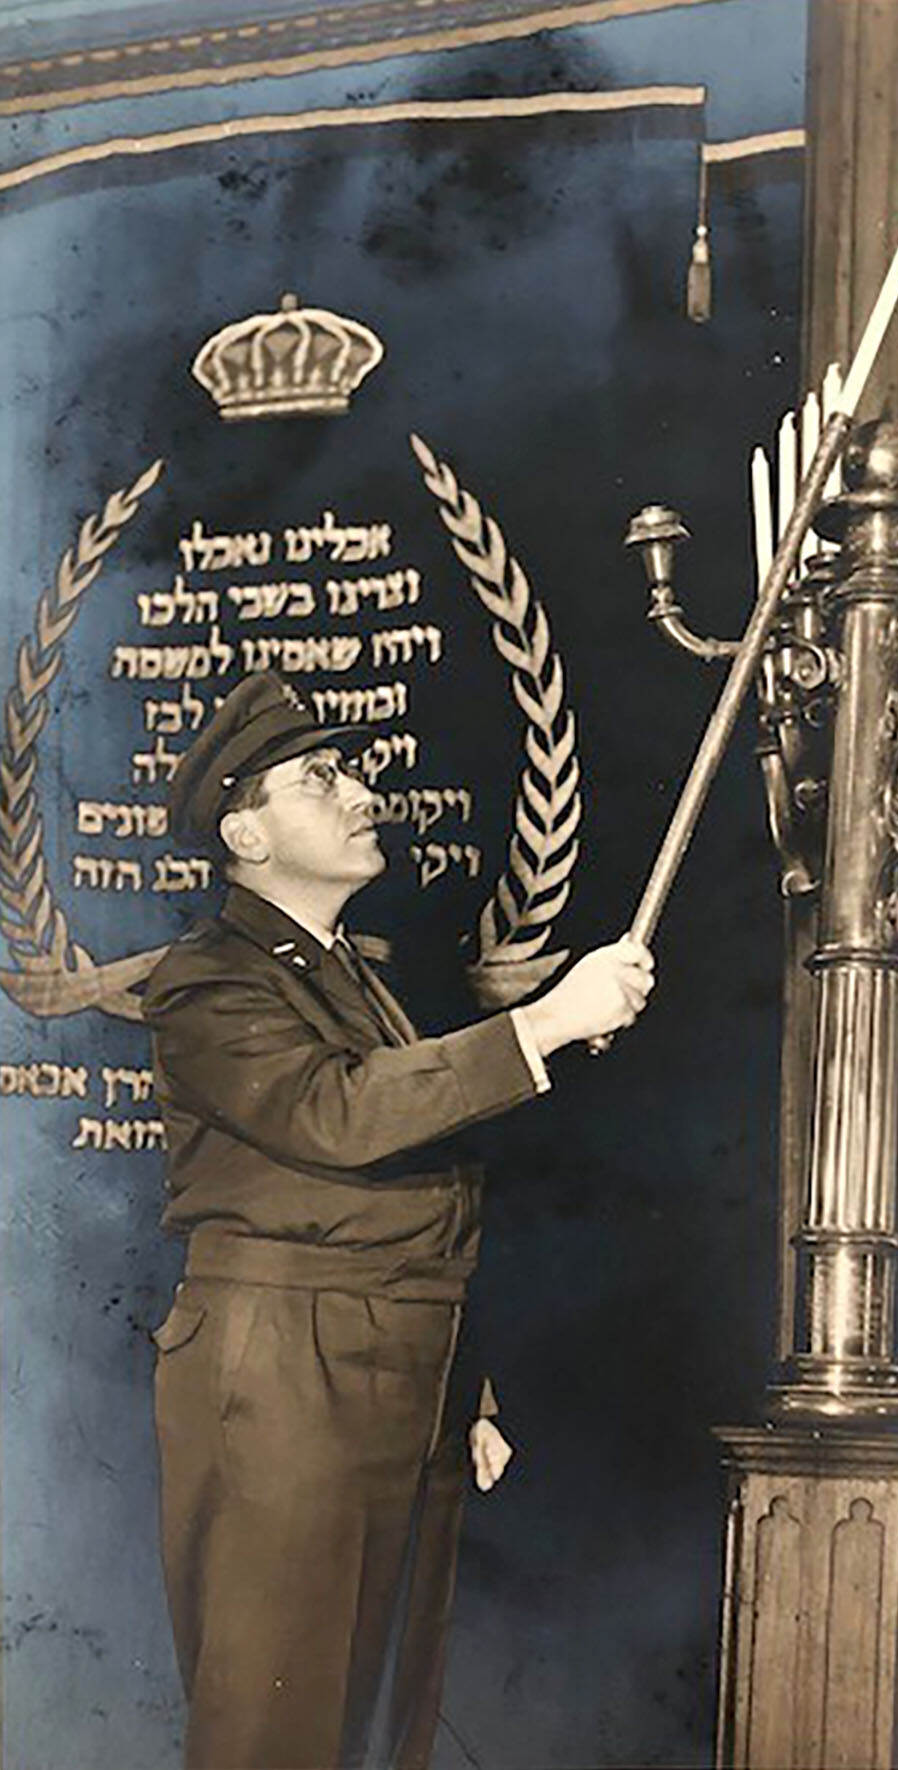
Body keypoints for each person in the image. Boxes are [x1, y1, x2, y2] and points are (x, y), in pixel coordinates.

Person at [143, 671, 654, 1770]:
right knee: (277, 1728)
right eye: (320, 778)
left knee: (380, 1725)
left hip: (393, 1371)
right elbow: (338, 1115)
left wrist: (466, 1387)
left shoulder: (354, 977)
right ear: (245, 833)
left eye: (351, 772)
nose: (361, 793)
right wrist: (542, 1025)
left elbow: (416, 1177)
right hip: (287, 1368)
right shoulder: (206, 982)